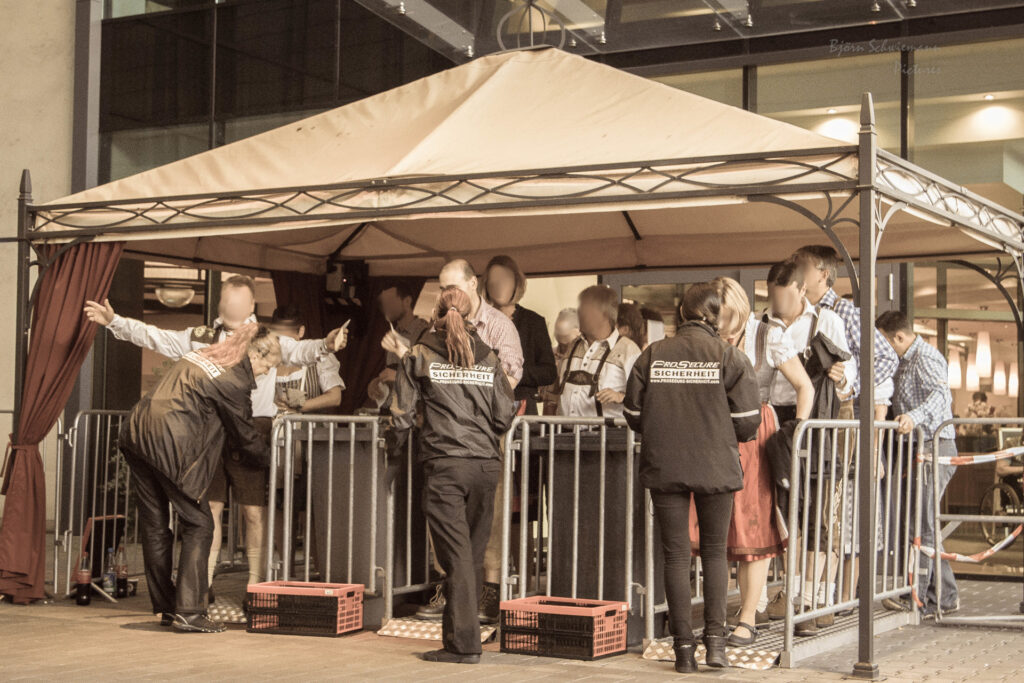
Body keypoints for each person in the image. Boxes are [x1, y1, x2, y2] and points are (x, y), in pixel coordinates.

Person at [84, 276, 348, 590]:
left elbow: (301, 350)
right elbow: (156, 337)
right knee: (210, 508)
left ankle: (255, 585)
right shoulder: (202, 337)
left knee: (253, 512)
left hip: (252, 427)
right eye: (227, 299)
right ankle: (203, 585)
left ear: (250, 304)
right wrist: (115, 321)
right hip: (212, 431)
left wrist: (326, 344)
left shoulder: (265, 337)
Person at [624, 282, 761, 673]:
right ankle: (716, 644)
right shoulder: (729, 357)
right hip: (715, 465)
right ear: (716, 318)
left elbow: (633, 414)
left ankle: (683, 651)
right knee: (715, 552)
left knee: (676, 554)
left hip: (665, 465)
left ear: (682, 314)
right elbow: (748, 422)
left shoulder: (653, 354)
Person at [383, 259, 522, 624]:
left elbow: (403, 410)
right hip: (481, 455)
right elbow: (503, 409)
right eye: (443, 286)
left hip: (451, 453)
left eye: (450, 286)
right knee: (463, 544)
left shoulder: (490, 330)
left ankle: (473, 620)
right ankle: (461, 619)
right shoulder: (473, 351)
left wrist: (396, 446)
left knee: (467, 543)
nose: (446, 291)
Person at [117, 324, 280, 633]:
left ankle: (168, 607)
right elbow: (245, 435)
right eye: (268, 366)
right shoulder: (234, 379)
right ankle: (189, 612)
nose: (265, 373)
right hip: (169, 441)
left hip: (136, 433)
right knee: (200, 524)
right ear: (256, 354)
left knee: (155, 527)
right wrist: (270, 460)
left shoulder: (205, 354)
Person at [700, 277, 810, 647]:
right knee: (717, 527)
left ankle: (747, 617)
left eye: (728, 321)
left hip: (755, 432)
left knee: (754, 527)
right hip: (715, 430)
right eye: (718, 321)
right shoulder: (709, 337)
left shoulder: (768, 335)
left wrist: (796, 432)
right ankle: (721, 615)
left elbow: (804, 386)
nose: (724, 330)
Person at [792, 246, 897, 619]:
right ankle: (810, 594)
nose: (796, 272)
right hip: (811, 418)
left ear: (822, 273)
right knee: (811, 507)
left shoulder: (845, 312)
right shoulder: (798, 311)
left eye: (801, 267)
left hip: (837, 420)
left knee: (830, 508)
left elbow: (886, 357)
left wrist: (850, 386)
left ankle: (824, 597)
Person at [875, 311, 960, 618]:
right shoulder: (903, 361)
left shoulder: (925, 357)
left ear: (899, 337)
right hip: (921, 447)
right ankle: (944, 595)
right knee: (924, 522)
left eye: (883, 342)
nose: (880, 349)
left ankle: (920, 598)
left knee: (922, 524)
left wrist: (914, 417)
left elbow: (941, 395)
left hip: (934, 446)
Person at [483, 255, 557, 416]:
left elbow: (549, 372)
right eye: (494, 282)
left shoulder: (534, 322)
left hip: (522, 410)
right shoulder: (478, 321)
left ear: (517, 284)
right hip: (485, 407)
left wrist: (514, 374)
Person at [555, 285, 642, 419]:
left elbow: (643, 398)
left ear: (604, 315)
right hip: (564, 430)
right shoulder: (572, 345)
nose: (579, 314)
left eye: (585, 310)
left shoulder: (629, 350)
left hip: (606, 432)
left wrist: (620, 397)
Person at [269, 305, 345, 414]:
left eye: (289, 341)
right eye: (280, 338)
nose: (285, 346)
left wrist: (299, 407)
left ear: (301, 331)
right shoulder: (265, 360)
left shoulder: (322, 357)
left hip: (310, 424)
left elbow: (335, 397)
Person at [367, 283, 430, 411]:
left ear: (407, 301)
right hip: (391, 409)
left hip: (413, 412)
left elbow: (429, 376)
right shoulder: (393, 333)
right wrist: (377, 382)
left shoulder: (425, 334)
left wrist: (397, 376)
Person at [542, 308, 581, 414]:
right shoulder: (550, 355)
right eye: (561, 345)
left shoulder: (583, 361)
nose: (563, 352)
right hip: (550, 417)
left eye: (566, 345)